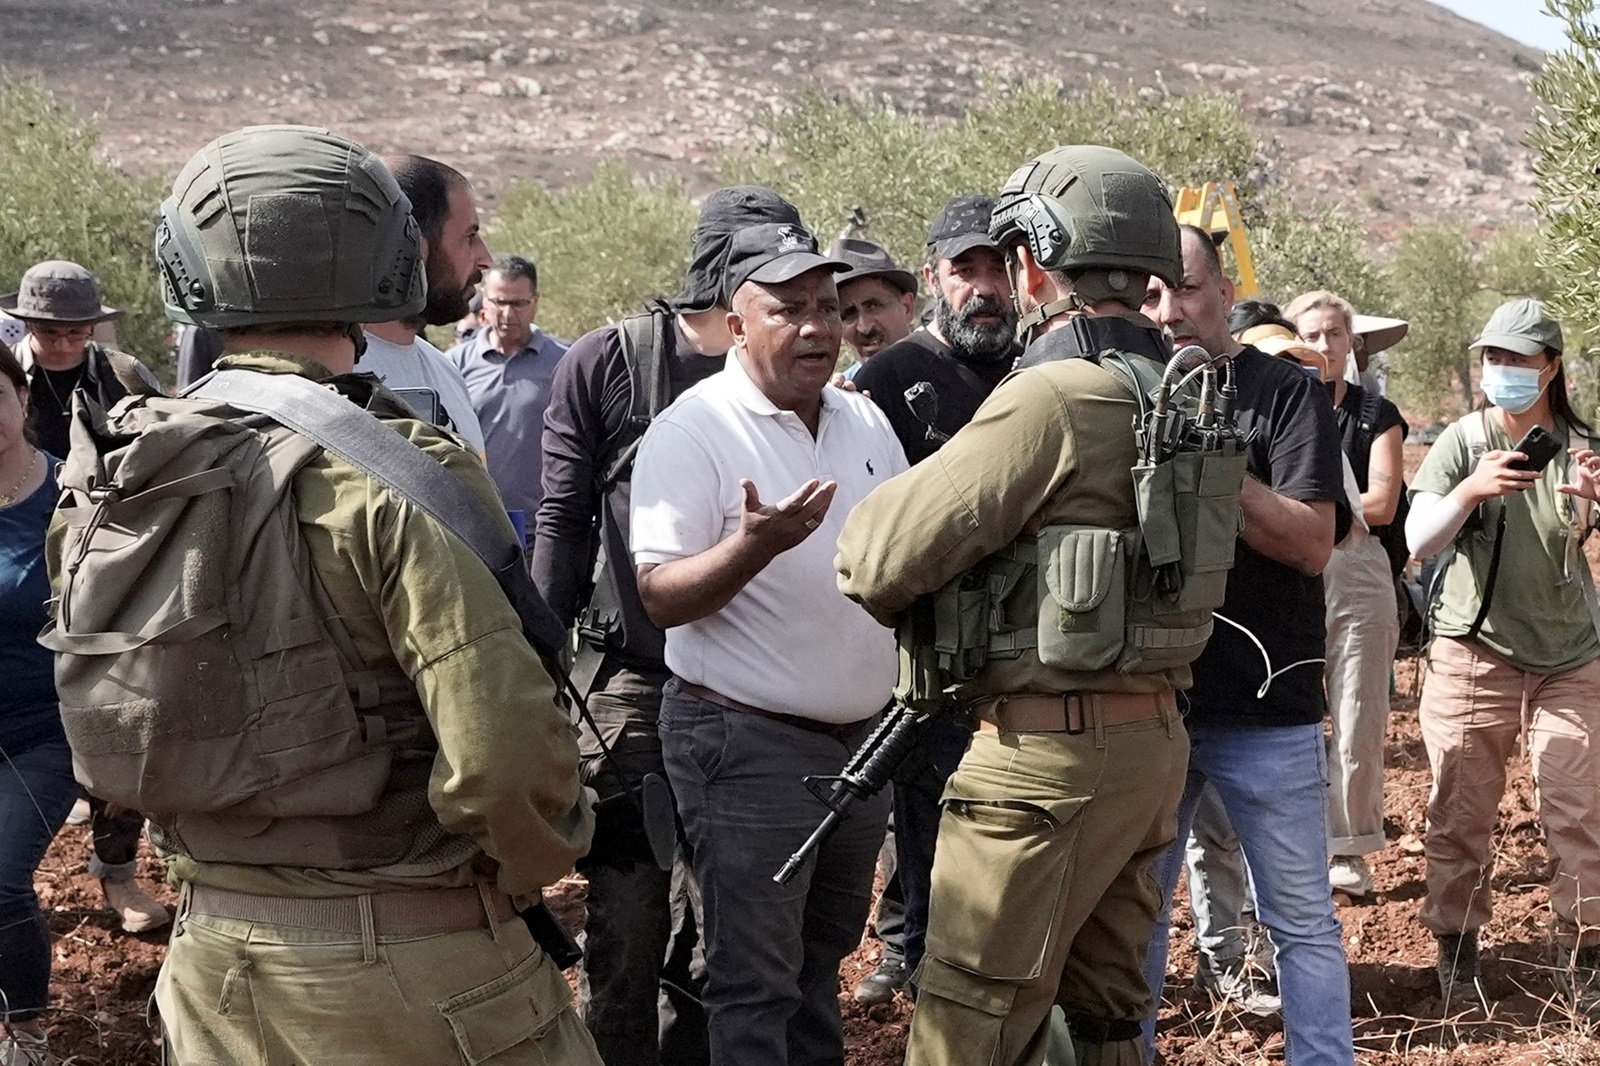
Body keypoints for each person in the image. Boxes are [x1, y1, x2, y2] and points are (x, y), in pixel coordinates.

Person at [58, 124, 598, 1065]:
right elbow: (506, 762)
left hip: (214, 967)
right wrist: (537, 862)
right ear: (390, 257)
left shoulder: (127, 472)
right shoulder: (399, 474)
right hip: (416, 967)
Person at [839, 144, 1200, 1066]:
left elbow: (877, 558)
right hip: (1152, 742)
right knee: (1107, 1018)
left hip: (1045, 756)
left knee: (964, 1027)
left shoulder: (1050, 397)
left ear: (1038, 263)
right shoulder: (1181, 392)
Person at [534, 184, 805, 1066]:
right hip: (638, 688)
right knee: (628, 914)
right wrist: (543, 669)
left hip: (760, 692)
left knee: (730, 924)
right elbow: (562, 522)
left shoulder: (798, 373)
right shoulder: (610, 363)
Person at [630, 221, 906, 1066]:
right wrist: (755, 544)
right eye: (788, 309)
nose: (818, 326)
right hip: (744, 749)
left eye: (828, 306)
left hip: (859, 749)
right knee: (753, 984)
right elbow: (659, 598)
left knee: (819, 965)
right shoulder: (693, 429)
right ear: (737, 323)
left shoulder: (864, 422)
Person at [1140, 225, 1356, 1066]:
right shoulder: (1127, 386)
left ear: (1225, 292)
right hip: (1151, 701)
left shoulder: (1287, 393)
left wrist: (1214, 465)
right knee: (1139, 915)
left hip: (1268, 708)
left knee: (1300, 917)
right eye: (1154, 293)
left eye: (1188, 289)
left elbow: (1311, 542)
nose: (1171, 311)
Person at [845, 192, 1020, 1007]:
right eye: (965, 270)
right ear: (934, 280)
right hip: (921, 648)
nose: (983, 287)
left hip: (1030, 649)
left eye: (997, 268)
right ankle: (909, 953)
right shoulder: (886, 380)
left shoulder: (1045, 374)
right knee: (921, 810)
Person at [1405, 297, 1600, 1010]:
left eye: (1517, 358)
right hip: (1473, 654)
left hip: (1569, 657)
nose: (1501, 370)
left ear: (1550, 367)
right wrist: (1470, 488)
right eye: (1491, 357)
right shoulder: (1464, 439)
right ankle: (1457, 950)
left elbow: (1577, 550)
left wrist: (1590, 507)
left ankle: (1583, 960)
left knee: (1580, 812)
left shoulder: (1584, 449)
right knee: (1459, 814)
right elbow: (1418, 539)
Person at [2, 259, 171, 936]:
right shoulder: (8, 376)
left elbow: (165, 451)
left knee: (114, 722)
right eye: (52, 330)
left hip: (106, 562)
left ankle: (119, 874)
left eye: (78, 328)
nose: (67, 341)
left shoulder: (125, 376)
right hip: (21, 560)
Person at [1286, 289, 1405, 899]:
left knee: (1358, 712)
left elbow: (1382, 506)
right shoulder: (1280, 404)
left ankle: (1349, 849)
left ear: (1352, 342)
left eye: (1337, 334)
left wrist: (1312, 495)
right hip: (1290, 568)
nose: (1326, 346)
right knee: (1289, 714)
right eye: (1313, 333)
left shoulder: (1373, 414)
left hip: (1356, 568)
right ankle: (1292, 846)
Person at [0, 340, 80, 1066]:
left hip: (44, 732)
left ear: (23, 399)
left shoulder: (71, 497)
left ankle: (26, 1033)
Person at [357, 154, 492, 454]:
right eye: (469, 237)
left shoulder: (444, 370)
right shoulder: (337, 378)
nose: (486, 259)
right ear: (413, 247)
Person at [448, 254, 569, 519]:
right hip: (478, 522)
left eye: (518, 303)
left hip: (545, 524)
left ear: (535, 301)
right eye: (499, 302)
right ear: (484, 300)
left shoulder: (565, 362)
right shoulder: (453, 365)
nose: (507, 314)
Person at [828, 237, 918, 372]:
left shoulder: (950, 371)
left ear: (907, 307)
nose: (864, 328)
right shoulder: (846, 389)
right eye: (848, 314)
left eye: (873, 306)